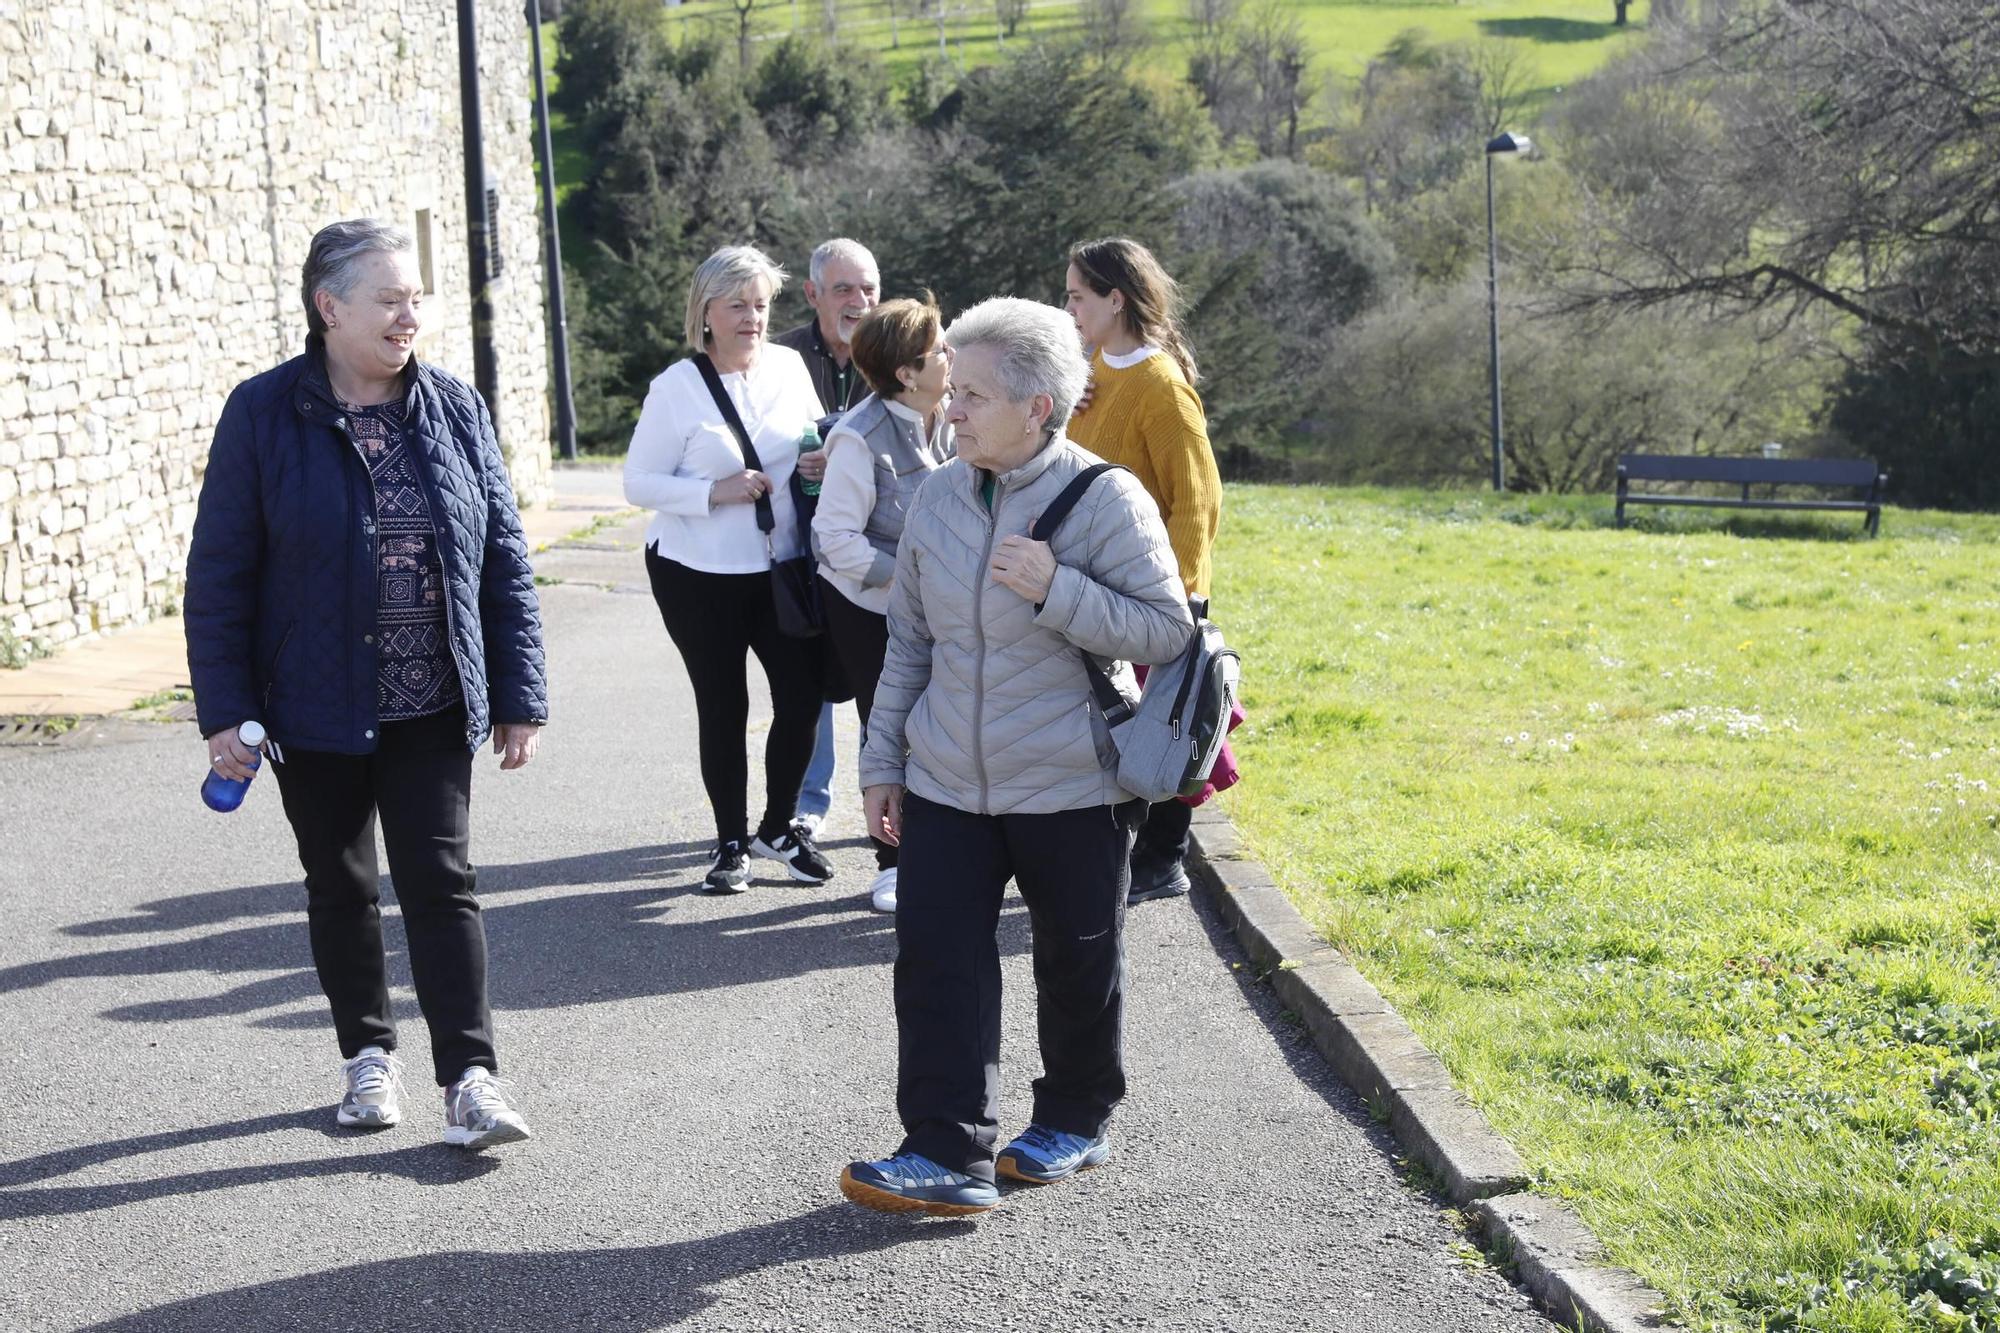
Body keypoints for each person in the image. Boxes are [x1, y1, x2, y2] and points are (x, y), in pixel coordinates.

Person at [184, 218, 545, 1149]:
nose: (407, 314)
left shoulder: (455, 408)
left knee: (443, 882)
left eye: (414, 298)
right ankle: (366, 1057)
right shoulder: (262, 413)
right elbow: (219, 572)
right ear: (329, 305)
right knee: (339, 884)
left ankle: (471, 1077)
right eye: (388, 298)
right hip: (311, 702)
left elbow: (503, 556)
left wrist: (518, 690)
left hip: (433, 700)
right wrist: (226, 709)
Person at [839, 297, 1194, 1215]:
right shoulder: (935, 500)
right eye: (950, 393)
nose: (948, 411)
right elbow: (909, 645)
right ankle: (945, 1148)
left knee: (1077, 960)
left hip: (1074, 782)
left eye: (972, 397)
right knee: (936, 960)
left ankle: (1075, 1118)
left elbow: (1165, 629)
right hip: (947, 775)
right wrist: (882, 763)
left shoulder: (1104, 496)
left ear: (1038, 406)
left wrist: (1059, 589)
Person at [624, 245, 833, 893]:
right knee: (724, 705)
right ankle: (731, 844)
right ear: (706, 312)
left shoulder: (792, 367)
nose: (753, 317)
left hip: (780, 567)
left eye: (762, 305)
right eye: (738, 305)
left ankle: (778, 828)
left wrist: (817, 463)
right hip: (697, 572)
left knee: (801, 698)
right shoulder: (675, 387)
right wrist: (714, 492)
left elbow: (813, 438)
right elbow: (637, 482)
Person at [1063, 237, 1225, 906]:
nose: (1067, 307)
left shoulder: (1161, 385)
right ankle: (1124, 849)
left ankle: (1163, 856)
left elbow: (1198, 498)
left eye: (1077, 296)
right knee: (1117, 722)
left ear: (1114, 299)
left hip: (1155, 591)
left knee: (1169, 724)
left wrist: (1182, 600)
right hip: (1099, 583)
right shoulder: (1094, 366)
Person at [811, 296, 955, 915]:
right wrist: (912, 582)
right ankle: (892, 864)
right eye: (941, 350)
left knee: (945, 722)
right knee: (888, 728)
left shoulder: (955, 412)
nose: (952, 357)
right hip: (870, 607)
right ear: (906, 373)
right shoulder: (858, 438)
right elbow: (835, 539)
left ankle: (948, 849)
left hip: (942, 603)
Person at [775, 238, 881, 839]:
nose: (860, 301)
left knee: (880, 680)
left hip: (877, 545)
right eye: (844, 289)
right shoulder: (780, 357)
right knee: (805, 680)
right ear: (813, 293)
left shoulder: (897, 350)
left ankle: (883, 806)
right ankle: (806, 805)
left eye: (869, 288)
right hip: (801, 547)